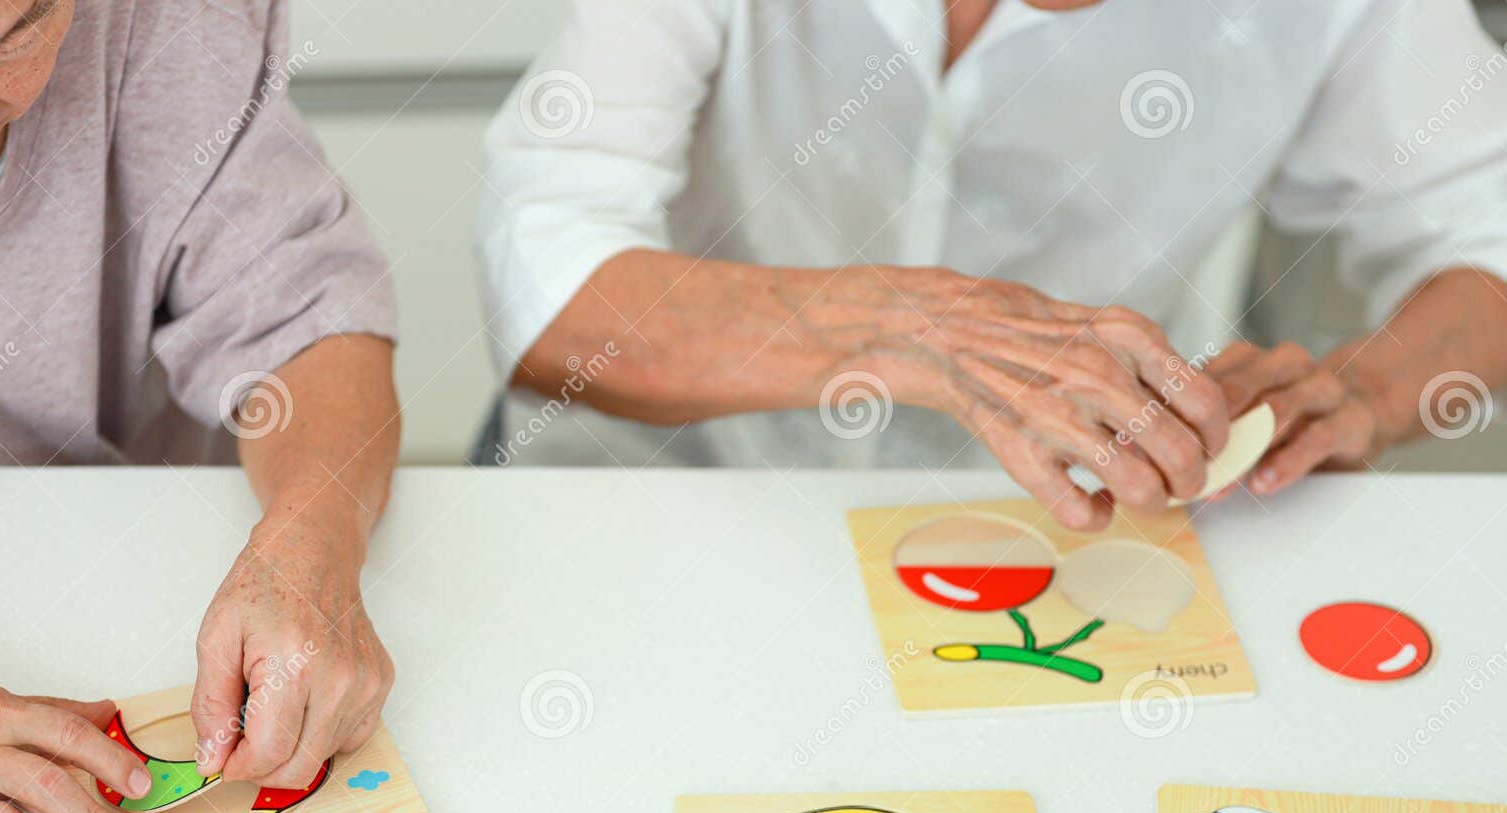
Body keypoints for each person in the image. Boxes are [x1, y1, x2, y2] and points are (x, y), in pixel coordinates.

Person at [476, 0, 1507, 522]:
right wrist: (906, 327)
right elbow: (548, 273)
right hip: (641, 496)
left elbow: (1487, 218)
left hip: (1052, 529)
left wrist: (1365, 390)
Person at [0, 0, 400, 813]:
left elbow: (304, 322)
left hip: (152, 556)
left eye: (4, 43)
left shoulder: (172, 16)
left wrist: (313, 534)